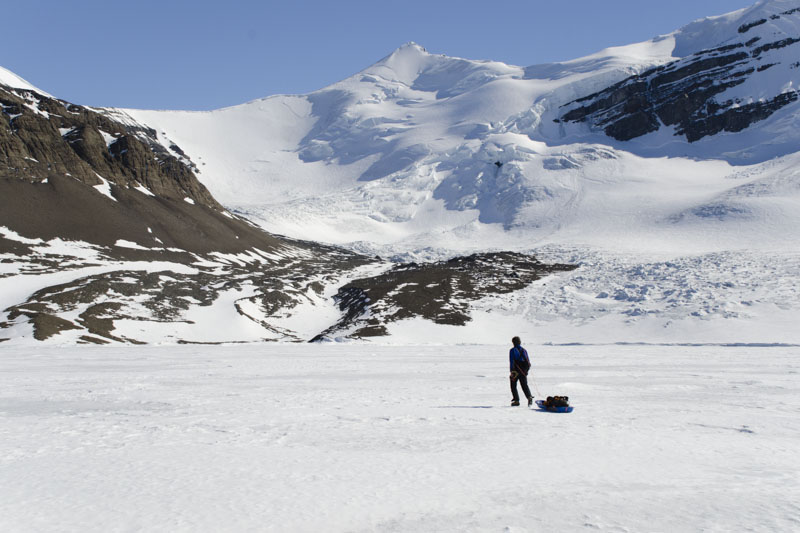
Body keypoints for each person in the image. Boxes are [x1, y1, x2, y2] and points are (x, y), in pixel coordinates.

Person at [509, 336, 533, 406]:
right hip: (523, 370)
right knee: (524, 385)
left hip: (516, 370)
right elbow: (528, 361)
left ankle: (516, 400)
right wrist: (526, 371)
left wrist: (512, 371)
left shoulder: (512, 350)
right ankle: (529, 397)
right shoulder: (524, 350)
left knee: (513, 385)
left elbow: (511, 361)